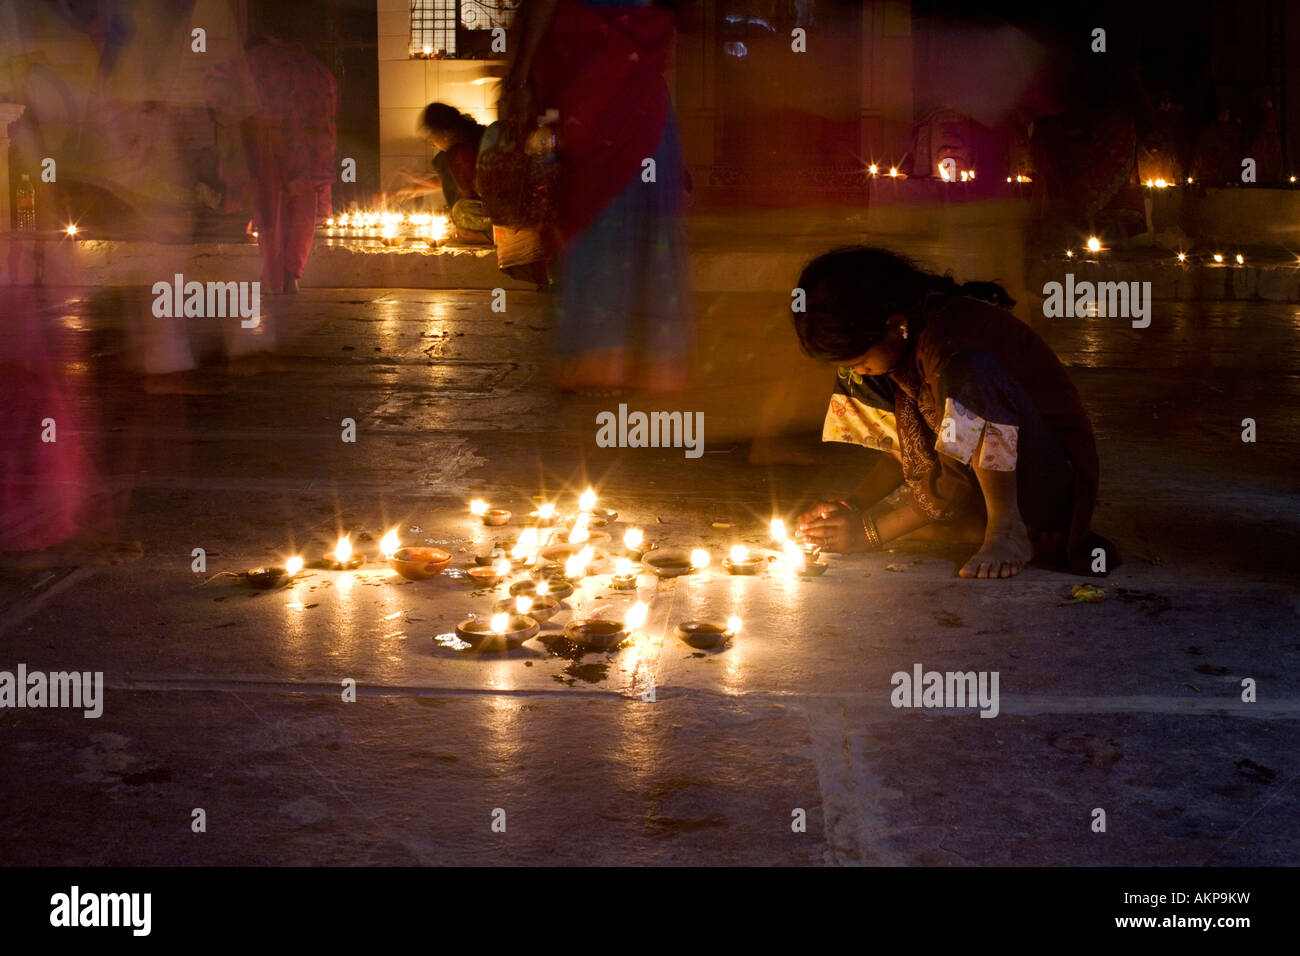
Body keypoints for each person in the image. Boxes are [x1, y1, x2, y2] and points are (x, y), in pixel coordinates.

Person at [793, 247, 1116, 580]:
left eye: (858, 360)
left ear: (896, 324)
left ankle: (1007, 529)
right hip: (977, 479)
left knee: (969, 373)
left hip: (1046, 484)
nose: (858, 373)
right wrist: (851, 507)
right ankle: (988, 528)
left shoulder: (954, 343)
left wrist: (866, 534)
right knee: (865, 376)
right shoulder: (900, 344)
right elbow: (903, 451)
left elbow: (954, 479)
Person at [498, 0, 691, 393]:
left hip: (599, 71)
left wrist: (519, 79)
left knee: (602, 206)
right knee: (641, 208)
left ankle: (601, 356)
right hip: (631, 72)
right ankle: (656, 357)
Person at [208, 36, 337, 295]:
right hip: (306, 145)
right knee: (302, 209)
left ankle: (274, 276)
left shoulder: (253, 62)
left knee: (270, 210)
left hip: (267, 141)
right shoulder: (311, 66)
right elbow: (326, 103)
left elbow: (221, 87)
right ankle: (292, 276)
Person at [394, 103, 493, 243]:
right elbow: (447, 182)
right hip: (485, 213)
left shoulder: (464, 152)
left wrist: (485, 235)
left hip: (494, 215)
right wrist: (413, 186)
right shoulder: (454, 153)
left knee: (461, 210)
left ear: (447, 133)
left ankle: (488, 236)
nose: (431, 143)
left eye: (431, 137)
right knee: (460, 211)